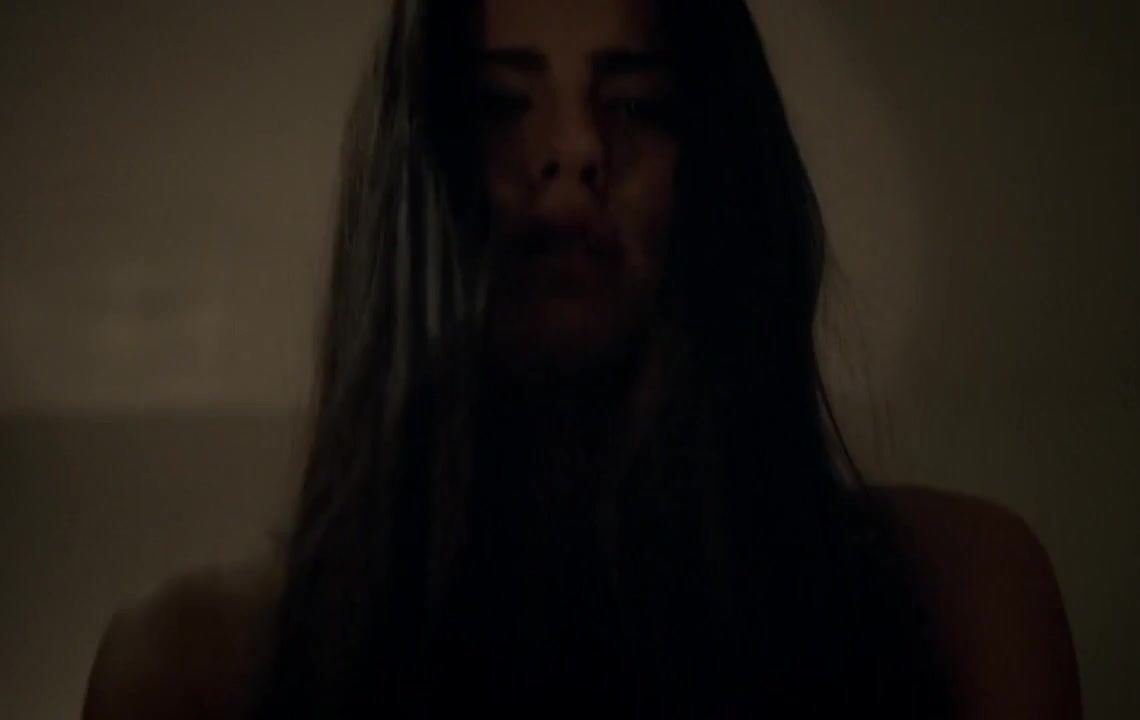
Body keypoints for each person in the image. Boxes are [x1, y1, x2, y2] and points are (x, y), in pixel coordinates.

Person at [82, 0, 1082, 717]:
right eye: (495, 102)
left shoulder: (961, 597)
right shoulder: (189, 668)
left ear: (720, 165)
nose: (571, 148)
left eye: (638, 101)